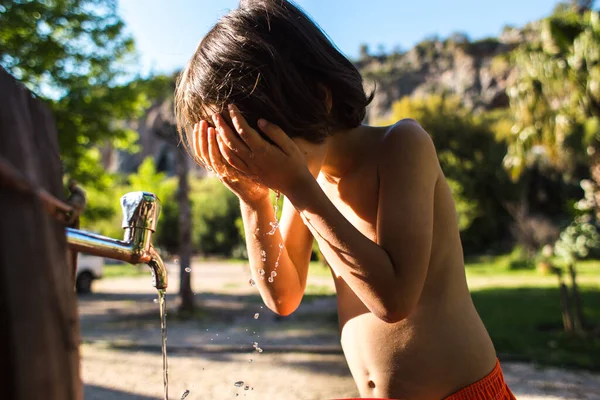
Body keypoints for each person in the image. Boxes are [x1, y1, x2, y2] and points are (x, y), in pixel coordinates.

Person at [174, 1, 516, 398]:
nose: (264, 169)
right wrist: (255, 201)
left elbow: (393, 300)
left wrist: (297, 188)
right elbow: (283, 297)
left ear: (320, 98)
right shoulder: (306, 180)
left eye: (263, 146)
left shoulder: (401, 147)